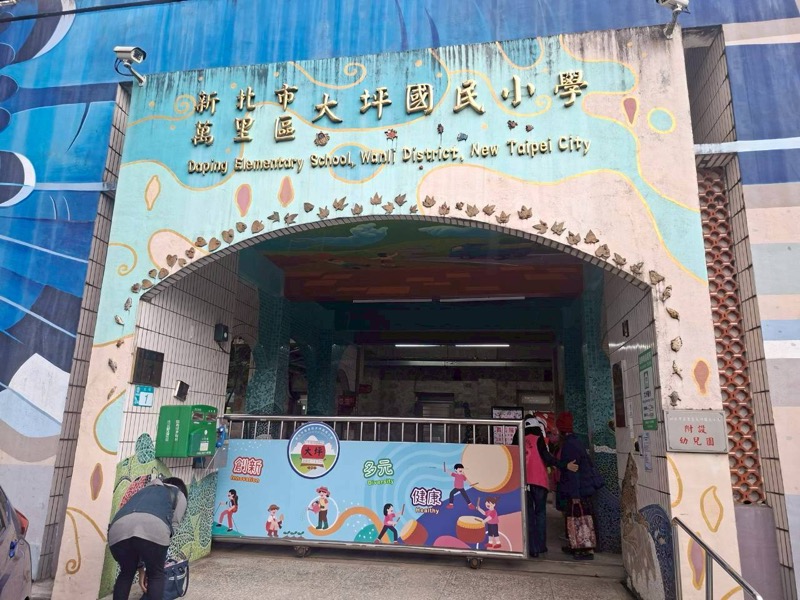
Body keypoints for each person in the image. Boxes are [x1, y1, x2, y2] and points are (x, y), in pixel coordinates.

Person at [107, 476, 188, 600]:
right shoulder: (179, 494)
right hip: (154, 529)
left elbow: (136, 536)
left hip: (117, 530)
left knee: (126, 573)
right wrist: (159, 553)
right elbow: (174, 526)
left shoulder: (143, 491)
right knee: (156, 575)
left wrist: (141, 569)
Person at [522, 416, 578, 558]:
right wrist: (564, 465)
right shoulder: (538, 439)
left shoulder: (519, 439)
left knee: (528, 514)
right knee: (540, 513)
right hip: (539, 482)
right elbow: (547, 458)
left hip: (524, 483)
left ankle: (531, 548)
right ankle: (541, 546)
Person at [555, 411, 601, 560]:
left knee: (579, 518)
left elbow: (573, 471)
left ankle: (584, 548)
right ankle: (576, 545)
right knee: (578, 517)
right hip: (583, 487)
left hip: (578, 489)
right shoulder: (576, 442)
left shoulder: (569, 445)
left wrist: (575, 495)